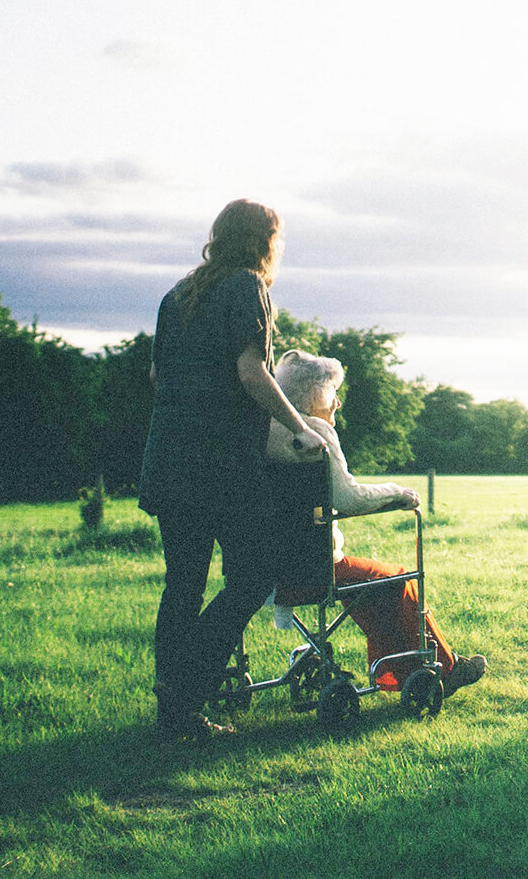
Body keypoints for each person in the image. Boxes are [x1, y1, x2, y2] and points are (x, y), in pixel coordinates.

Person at [139, 199, 326, 739]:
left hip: (168, 457)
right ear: (265, 240)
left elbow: (158, 374)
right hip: (218, 464)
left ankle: (174, 714)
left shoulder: (177, 296)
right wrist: (299, 427)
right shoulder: (247, 288)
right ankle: (184, 687)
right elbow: (252, 372)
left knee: (184, 584)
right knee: (254, 575)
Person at [264, 350, 487, 696]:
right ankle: (445, 667)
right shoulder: (315, 431)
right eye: (332, 391)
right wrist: (396, 492)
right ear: (312, 395)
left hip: (270, 569)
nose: (337, 402)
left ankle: (397, 674)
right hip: (315, 569)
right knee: (397, 579)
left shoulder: (265, 430)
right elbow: (348, 499)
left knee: (372, 585)